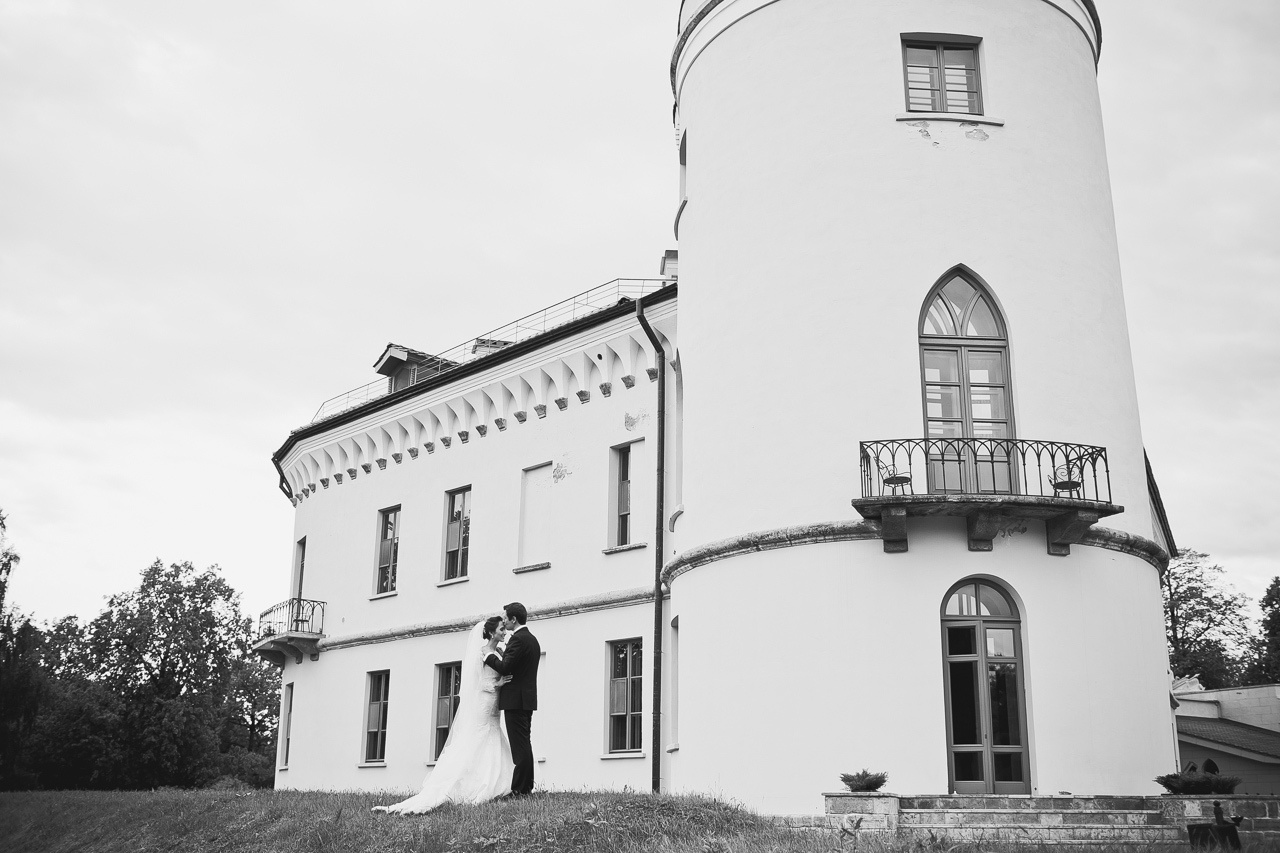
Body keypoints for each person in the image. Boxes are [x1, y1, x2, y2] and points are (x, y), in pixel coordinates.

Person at [372, 617, 514, 814]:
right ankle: (471, 783)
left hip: (495, 703)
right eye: (501, 629)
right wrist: (496, 684)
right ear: (491, 633)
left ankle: (499, 782)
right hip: (485, 700)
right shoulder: (482, 652)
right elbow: (475, 683)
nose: (504, 631)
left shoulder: (498, 651)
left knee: (493, 734)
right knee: (480, 737)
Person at [483, 601, 540, 796]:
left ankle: (519, 789)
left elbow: (506, 668)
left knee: (519, 746)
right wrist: (502, 654)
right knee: (525, 743)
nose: (505, 621)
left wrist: (489, 656)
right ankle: (526, 787)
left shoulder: (518, 639)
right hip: (526, 700)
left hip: (516, 700)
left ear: (514, 619)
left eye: (506, 618)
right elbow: (516, 665)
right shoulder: (532, 639)